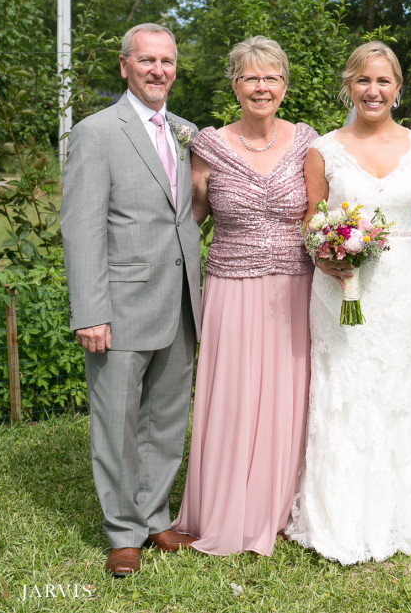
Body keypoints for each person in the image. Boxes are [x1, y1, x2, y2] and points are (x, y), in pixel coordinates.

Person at [285, 41, 411, 564]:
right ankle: (338, 513)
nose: (372, 90)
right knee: (343, 384)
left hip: (401, 283)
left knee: (398, 383)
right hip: (339, 285)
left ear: (398, 88)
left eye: (383, 81)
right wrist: (324, 252)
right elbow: (312, 217)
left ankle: (404, 511)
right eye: (362, 80)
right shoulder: (324, 149)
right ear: (348, 86)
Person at [61, 23, 202, 577]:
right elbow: (81, 228)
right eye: (146, 60)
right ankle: (123, 533)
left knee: (166, 418)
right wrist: (90, 311)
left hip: (180, 301)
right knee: (117, 424)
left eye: (166, 61)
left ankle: (154, 515)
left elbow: (185, 214)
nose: (157, 70)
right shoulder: (96, 132)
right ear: (125, 66)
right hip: (119, 306)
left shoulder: (186, 132)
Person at [171, 37, 317, 556]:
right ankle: (224, 508)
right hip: (230, 288)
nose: (261, 87)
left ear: (284, 86)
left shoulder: (306, 141)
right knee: (232, 397)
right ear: (234, 86)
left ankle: (277, 508)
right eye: (250, 77)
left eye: (271, 77)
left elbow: (320, 213)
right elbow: (188, 220)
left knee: (287, 397)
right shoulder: (208, 146)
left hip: (294, 289)